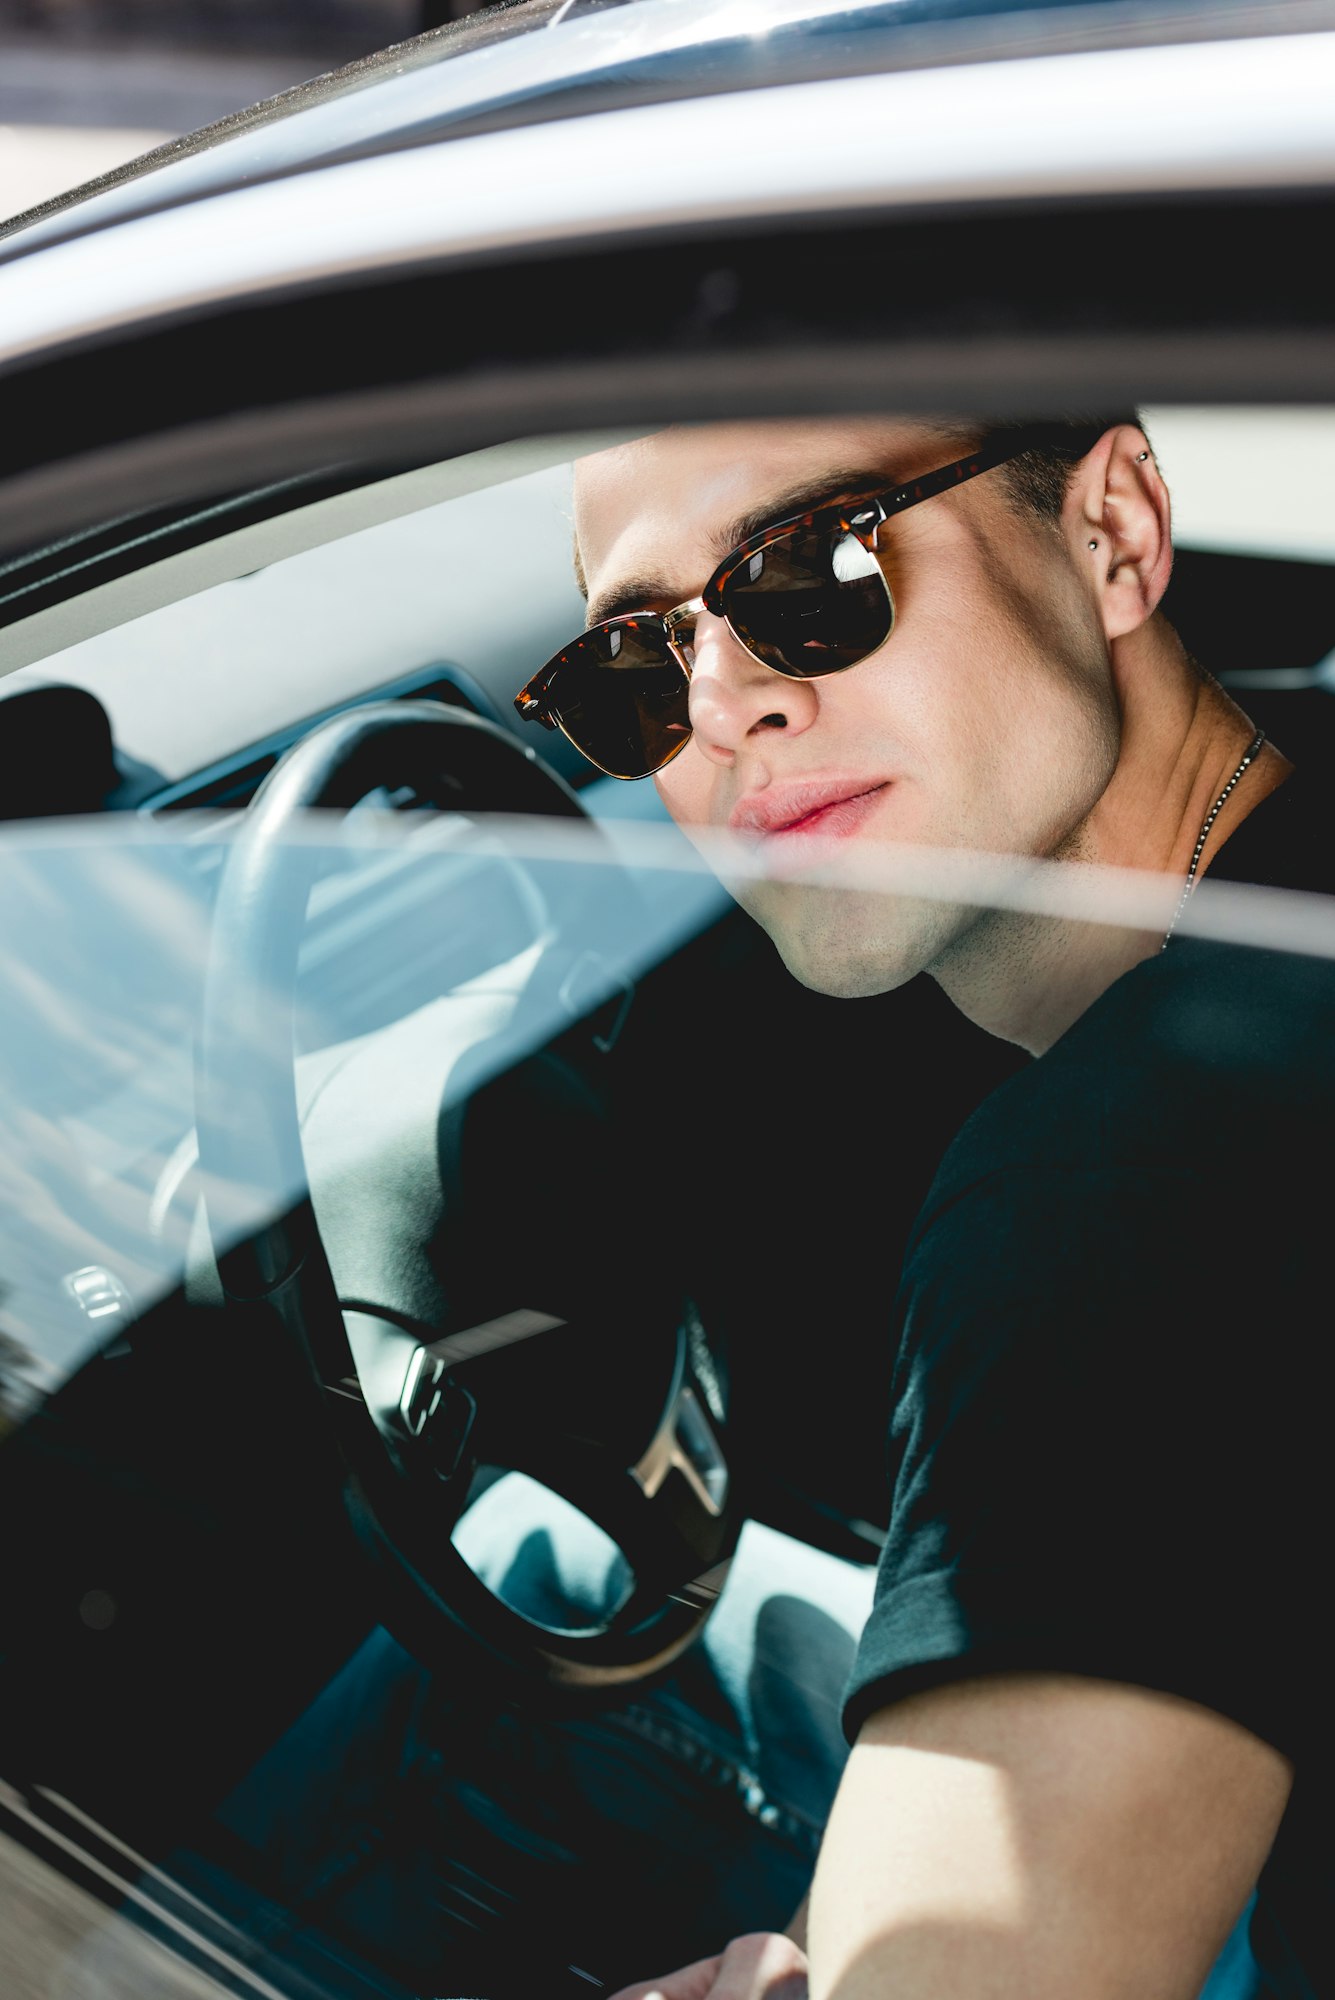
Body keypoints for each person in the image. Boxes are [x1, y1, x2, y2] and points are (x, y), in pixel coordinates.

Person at [506, 411, 1331, 1999]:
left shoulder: (1124, 1176)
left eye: (812, 571)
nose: (725, 703)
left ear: (1113, 533)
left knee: (523, 1565)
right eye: (634, 664)